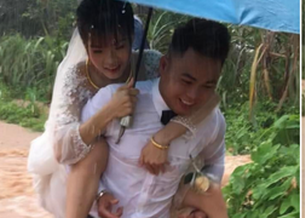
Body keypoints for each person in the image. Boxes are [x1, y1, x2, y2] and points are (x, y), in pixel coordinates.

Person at [27, 0, 218, 217]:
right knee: (98, 148)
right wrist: (109, 112)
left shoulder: (150, 63)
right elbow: (63, 150)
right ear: (85, 46)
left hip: (137, 166)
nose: (110, 60)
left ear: (132, 38)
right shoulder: (76, 77)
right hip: (82, 170)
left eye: (119, 46)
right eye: (97, 50)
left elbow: (210, 99)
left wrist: (163, 137)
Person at [83, 18, 229, 218]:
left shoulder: (212, 122)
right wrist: (99, 193)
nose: (193, 95)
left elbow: (215, 161)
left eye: (207, 86)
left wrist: (198, 199)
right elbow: (76, 154)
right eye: (186, 81)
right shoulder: (114, 102)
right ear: (163, 65)